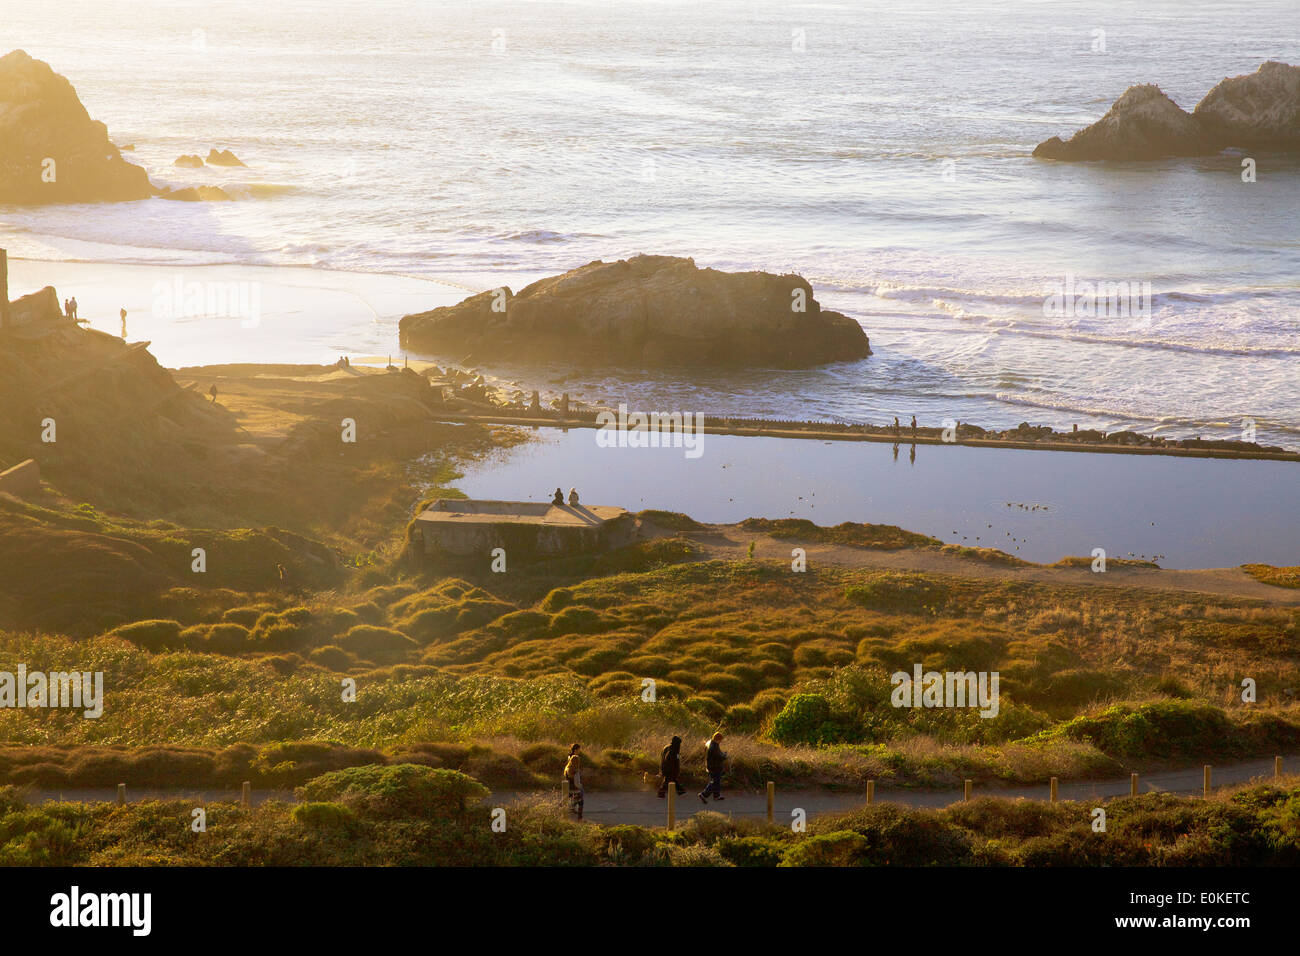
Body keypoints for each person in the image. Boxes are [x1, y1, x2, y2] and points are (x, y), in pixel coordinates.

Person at [699, 732, 727, 803]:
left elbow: (717, 754)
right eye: (720, 740)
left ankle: (716, 796)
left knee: (716, 781)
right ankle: (703, 794)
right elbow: (719, 756)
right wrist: (725, 756)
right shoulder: (714, 746)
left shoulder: (710, 743)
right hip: (714, 767)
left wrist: (723, 754)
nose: (721, 741)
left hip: (710, 765)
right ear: (718, 739)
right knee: (714, 781)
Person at [563, 743, 584, 819]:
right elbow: (577, 782)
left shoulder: (567, 768)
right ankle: (579, 818)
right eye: (578, 749)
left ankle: (569, 808)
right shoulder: (573, 759)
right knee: (581, 799)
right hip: (574, 786)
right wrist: (580, 787)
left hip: (569, 783)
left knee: (569, 797)